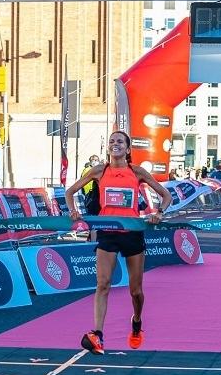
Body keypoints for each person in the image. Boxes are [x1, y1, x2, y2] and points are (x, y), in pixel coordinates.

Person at [64, 131, 173, 355]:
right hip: (108, 232)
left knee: (136, 291)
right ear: (108, 148)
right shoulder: (99, 171)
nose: (115, 144)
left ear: (128, 148)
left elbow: (166, 196)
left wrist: (159, 213)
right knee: (103, 284)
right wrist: (73, 210)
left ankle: (137, 321)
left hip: (132, 232)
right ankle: (98, 335)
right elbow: (70, 192)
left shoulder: (137, 172)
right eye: (112, 141)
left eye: (120, 142)